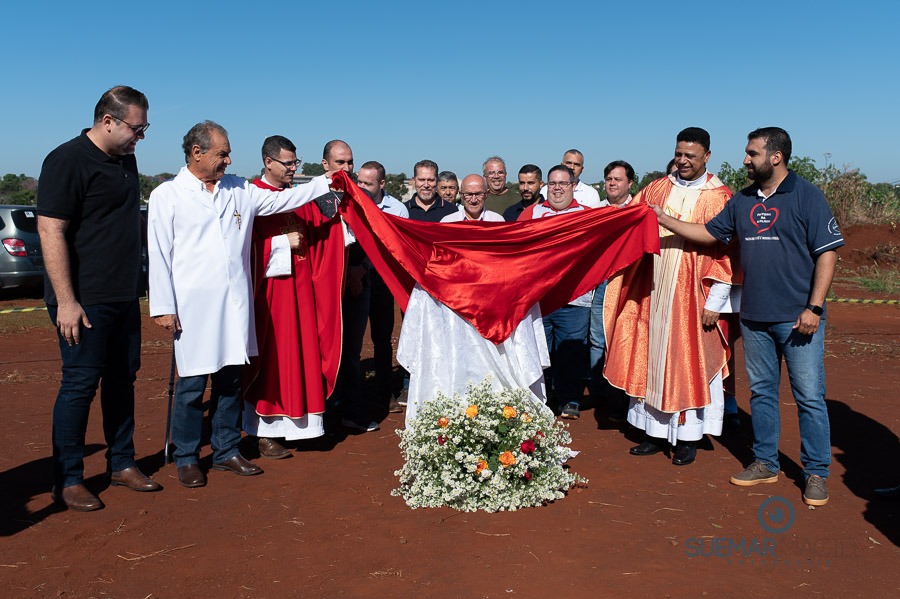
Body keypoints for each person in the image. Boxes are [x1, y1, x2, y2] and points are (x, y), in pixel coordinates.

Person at [651, 127, 843, 506]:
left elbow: (827, 253)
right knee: (762, 395)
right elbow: (708, 234)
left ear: (775, 157)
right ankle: (765, 463)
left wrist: (814, 307)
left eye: (752, 153)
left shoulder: (806, 196)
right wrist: (663, 218)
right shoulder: (743, 200)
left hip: (798, 319)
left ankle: (816, 472)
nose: (745, 160)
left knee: (808, 397)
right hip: (755, 317)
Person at [147, 121, 331, 488]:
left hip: (235, 306)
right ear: (197, 153)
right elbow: (159, 255)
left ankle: (227, 449)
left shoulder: (239, 190)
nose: (229, 160)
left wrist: (326, 183)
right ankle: (186, 456)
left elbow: (283, 199)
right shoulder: (167, 195)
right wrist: (163, 307)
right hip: (194, 309)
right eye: (222, 153)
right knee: (192, 386)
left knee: (230, 381)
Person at [37, 85, 158, 511]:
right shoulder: (66, 160)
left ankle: (121, 462)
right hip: (83, 299)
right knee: (80, 384)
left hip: (122, 295)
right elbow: (51, 229)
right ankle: (68, 479)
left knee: (123, 379)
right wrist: (66, 301)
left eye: (144, 130)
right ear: (108, 120)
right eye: (135, 129)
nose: (139, 138)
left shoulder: (124, 158)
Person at [604, 128, 735, 466]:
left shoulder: (719, 197)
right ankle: (653, 432)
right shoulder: (657, 188)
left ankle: (689, 437)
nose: (683, 161)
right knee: (650, 356)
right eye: (679, 154)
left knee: (687, 360)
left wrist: (716, 301)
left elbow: (728, 251)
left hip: (693, 295)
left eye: (690, 155)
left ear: (707, 156)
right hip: (652, 290)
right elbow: (627, 223)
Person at [241, 136, 345, 459]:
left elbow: (321, 230)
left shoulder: (296, 196)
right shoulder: (253, 197)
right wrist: (281, 242)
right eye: (287, 164)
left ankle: (301, 426)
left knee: (301, 357)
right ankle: (266, 431)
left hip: (301, 291)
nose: (292, 169)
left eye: (295, 163)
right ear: (268, 162)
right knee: (275, 361)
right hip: (271, 296)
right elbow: (245, 250)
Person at [519, 165, 591, 419]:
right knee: (539, 350)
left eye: (563, 183)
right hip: (539, 299)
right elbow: (516, 247)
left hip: (575, 298)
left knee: (571, 351)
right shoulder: (532, 212)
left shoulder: (588, 216)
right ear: (546, 186)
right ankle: (542, 400)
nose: (558, 188)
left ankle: (570, 399)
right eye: (553, 183)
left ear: (573, 185)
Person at [357, 160, 409, 414]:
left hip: (381, 281)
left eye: (368, 183)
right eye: (360, 181)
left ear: (382, 184)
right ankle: (350, 395)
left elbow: (393, 249)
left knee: (381, 338)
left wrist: (365, 266)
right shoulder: (350, 202)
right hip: (351, 280)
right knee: (351, 341)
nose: (363, 187)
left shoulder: (397, 209)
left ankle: (384, 393)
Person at [588, 161, 635, 420]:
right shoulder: (595, 213)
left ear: (630, 183)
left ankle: (626, 395)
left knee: (626, 340)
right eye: (609, 179)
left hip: (630, 284)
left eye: (618, 179)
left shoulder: (640, 211)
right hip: (603, 284)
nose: (612, 183)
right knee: (598, 340)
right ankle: (601, 397)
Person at [441, 175, 505, 222]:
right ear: (461, 195)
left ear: (486, 194)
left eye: (478, 194)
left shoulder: (497, 221)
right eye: (469, 194)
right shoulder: (448, 222)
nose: (473, 200)